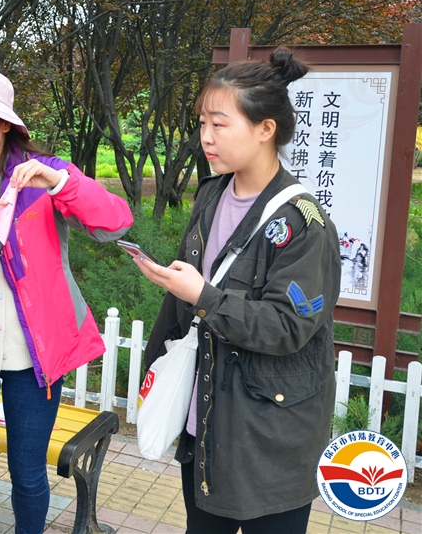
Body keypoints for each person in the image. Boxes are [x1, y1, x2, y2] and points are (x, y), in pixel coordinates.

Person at [0, 68, 134, 534]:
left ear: (4, 124)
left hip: (37, 358)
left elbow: (115, 223)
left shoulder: (46, 174)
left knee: (29, 474)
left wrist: (60, 183)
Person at [135, 48, 340, 533]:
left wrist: (203, 296)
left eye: (219, 124)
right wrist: (153, 373)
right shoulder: (211, 194)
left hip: (270, 437)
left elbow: (287, 327)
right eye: (202, 123)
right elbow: (182, 305)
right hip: (206, 423)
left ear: (265, 129)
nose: (205, 137)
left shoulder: (303, 223)